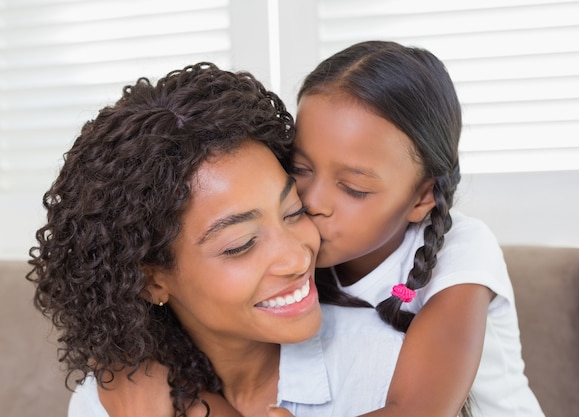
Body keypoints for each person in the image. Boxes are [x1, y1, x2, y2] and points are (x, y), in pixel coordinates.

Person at [27, 62, 403, 417]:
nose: (297, 258)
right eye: (241, 244)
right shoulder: (109, 401)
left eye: (294, 212)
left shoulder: (391, 369)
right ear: (152, 279)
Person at [289, 40, 544, 417]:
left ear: (422, 197)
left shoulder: (463, 248)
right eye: (300, 169)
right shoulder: (291, 250)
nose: (313, 202)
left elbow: (417, 411)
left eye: (353, 188)